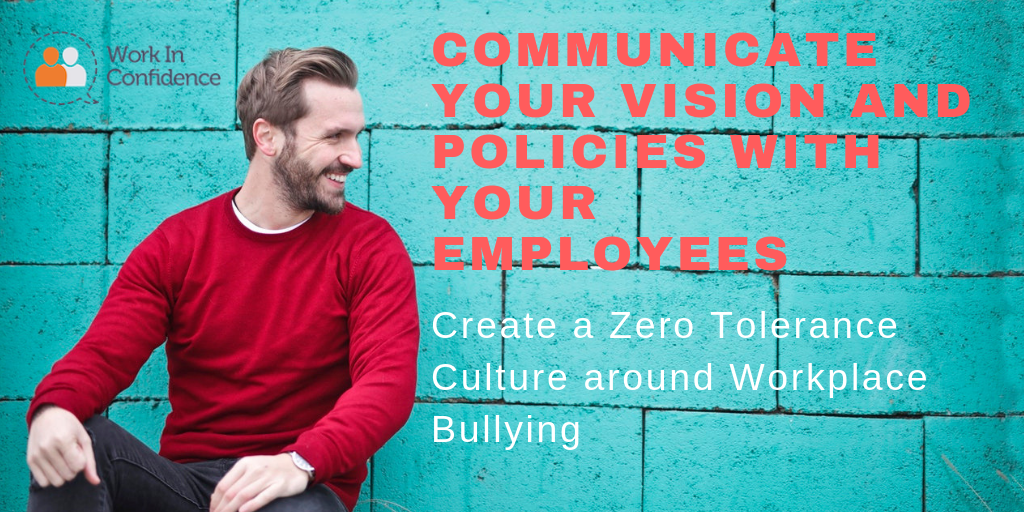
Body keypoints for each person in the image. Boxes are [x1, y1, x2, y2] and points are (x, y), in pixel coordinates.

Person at [24, 47, 419, 512]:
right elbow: (105, 351)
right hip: (186, 487)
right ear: (267, 136)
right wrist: (53, 410)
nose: (354, 157)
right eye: (334, 137)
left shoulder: (369, 246)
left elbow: (387, 383)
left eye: (356, 136)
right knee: (79, 440)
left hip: (296, 487)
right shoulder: (178, 244)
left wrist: (299, 462)